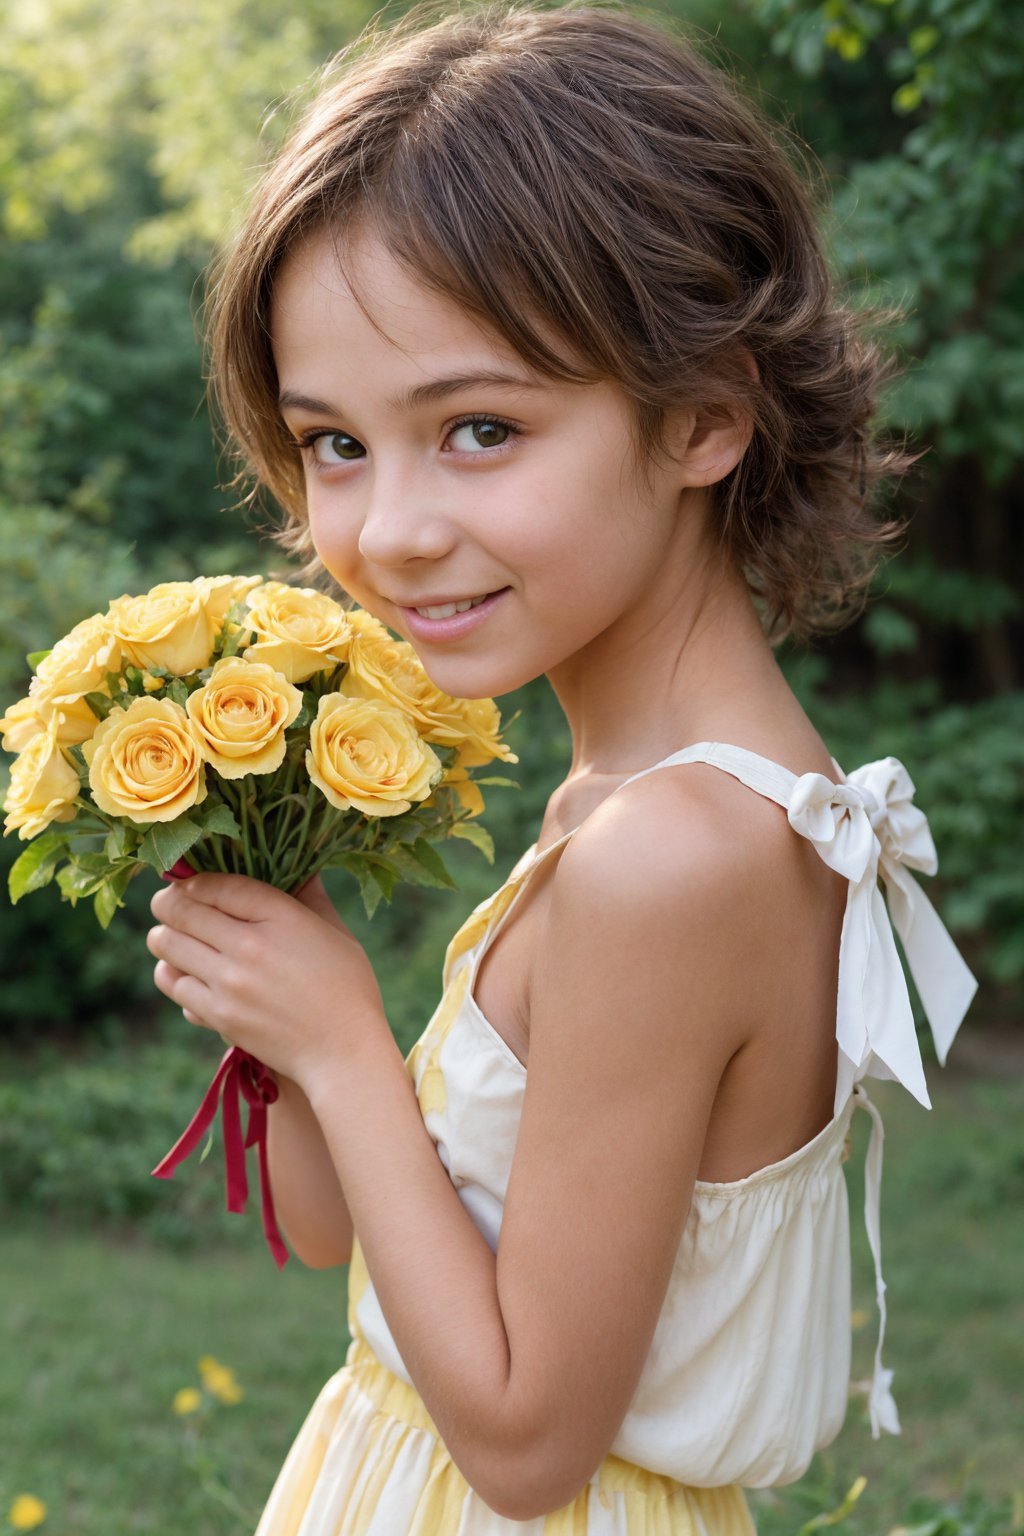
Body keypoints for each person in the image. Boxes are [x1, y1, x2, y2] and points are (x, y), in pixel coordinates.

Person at [146, 2, 978, 1529]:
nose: (387, 530)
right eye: (335, 443)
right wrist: (286, 958)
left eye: (476, 429)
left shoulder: (674, 857)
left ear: (704, 421)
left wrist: (341, 1041)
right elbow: (346, 1242)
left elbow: (527, 1444)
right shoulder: (635, 800)